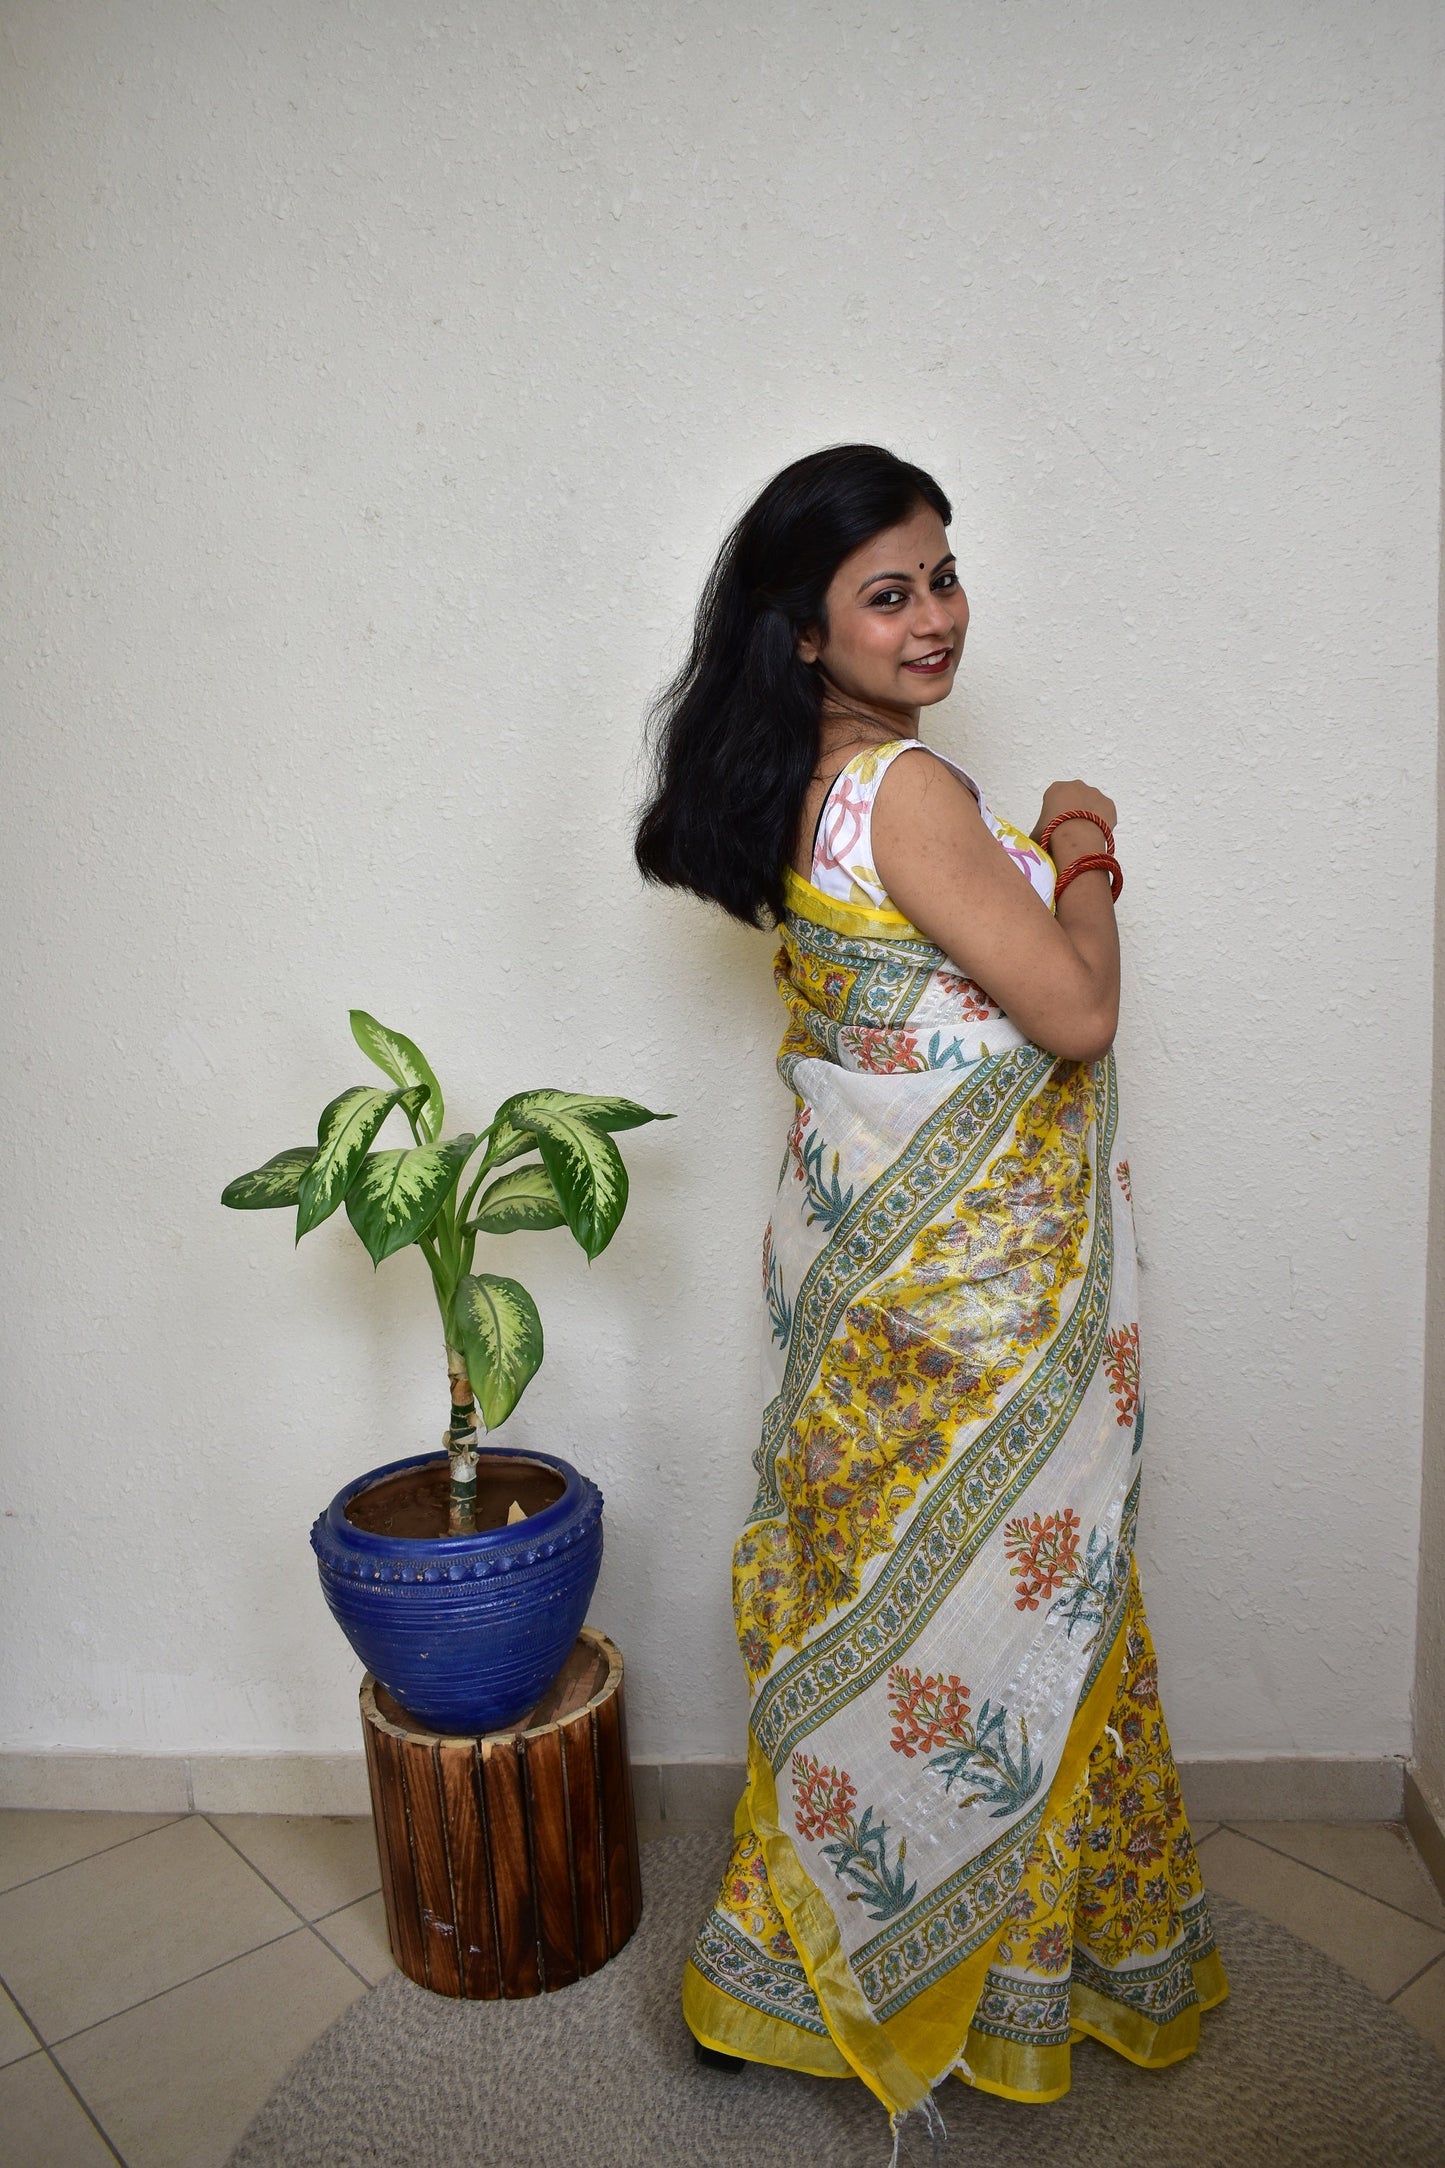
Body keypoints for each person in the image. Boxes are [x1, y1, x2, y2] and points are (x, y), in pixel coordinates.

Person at [635, 444, 1226, 2144]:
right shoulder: (903, 794)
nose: (934, 617)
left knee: (877, 1622)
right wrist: (1090, 849)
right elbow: (1072, 1016)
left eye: (942, 576)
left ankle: (799, 1965)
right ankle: (991, 1988)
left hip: (865, 1302)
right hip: (975, 1325)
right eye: (886, 593)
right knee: (1014, 1628)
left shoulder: (799, 792)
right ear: (804, 634)